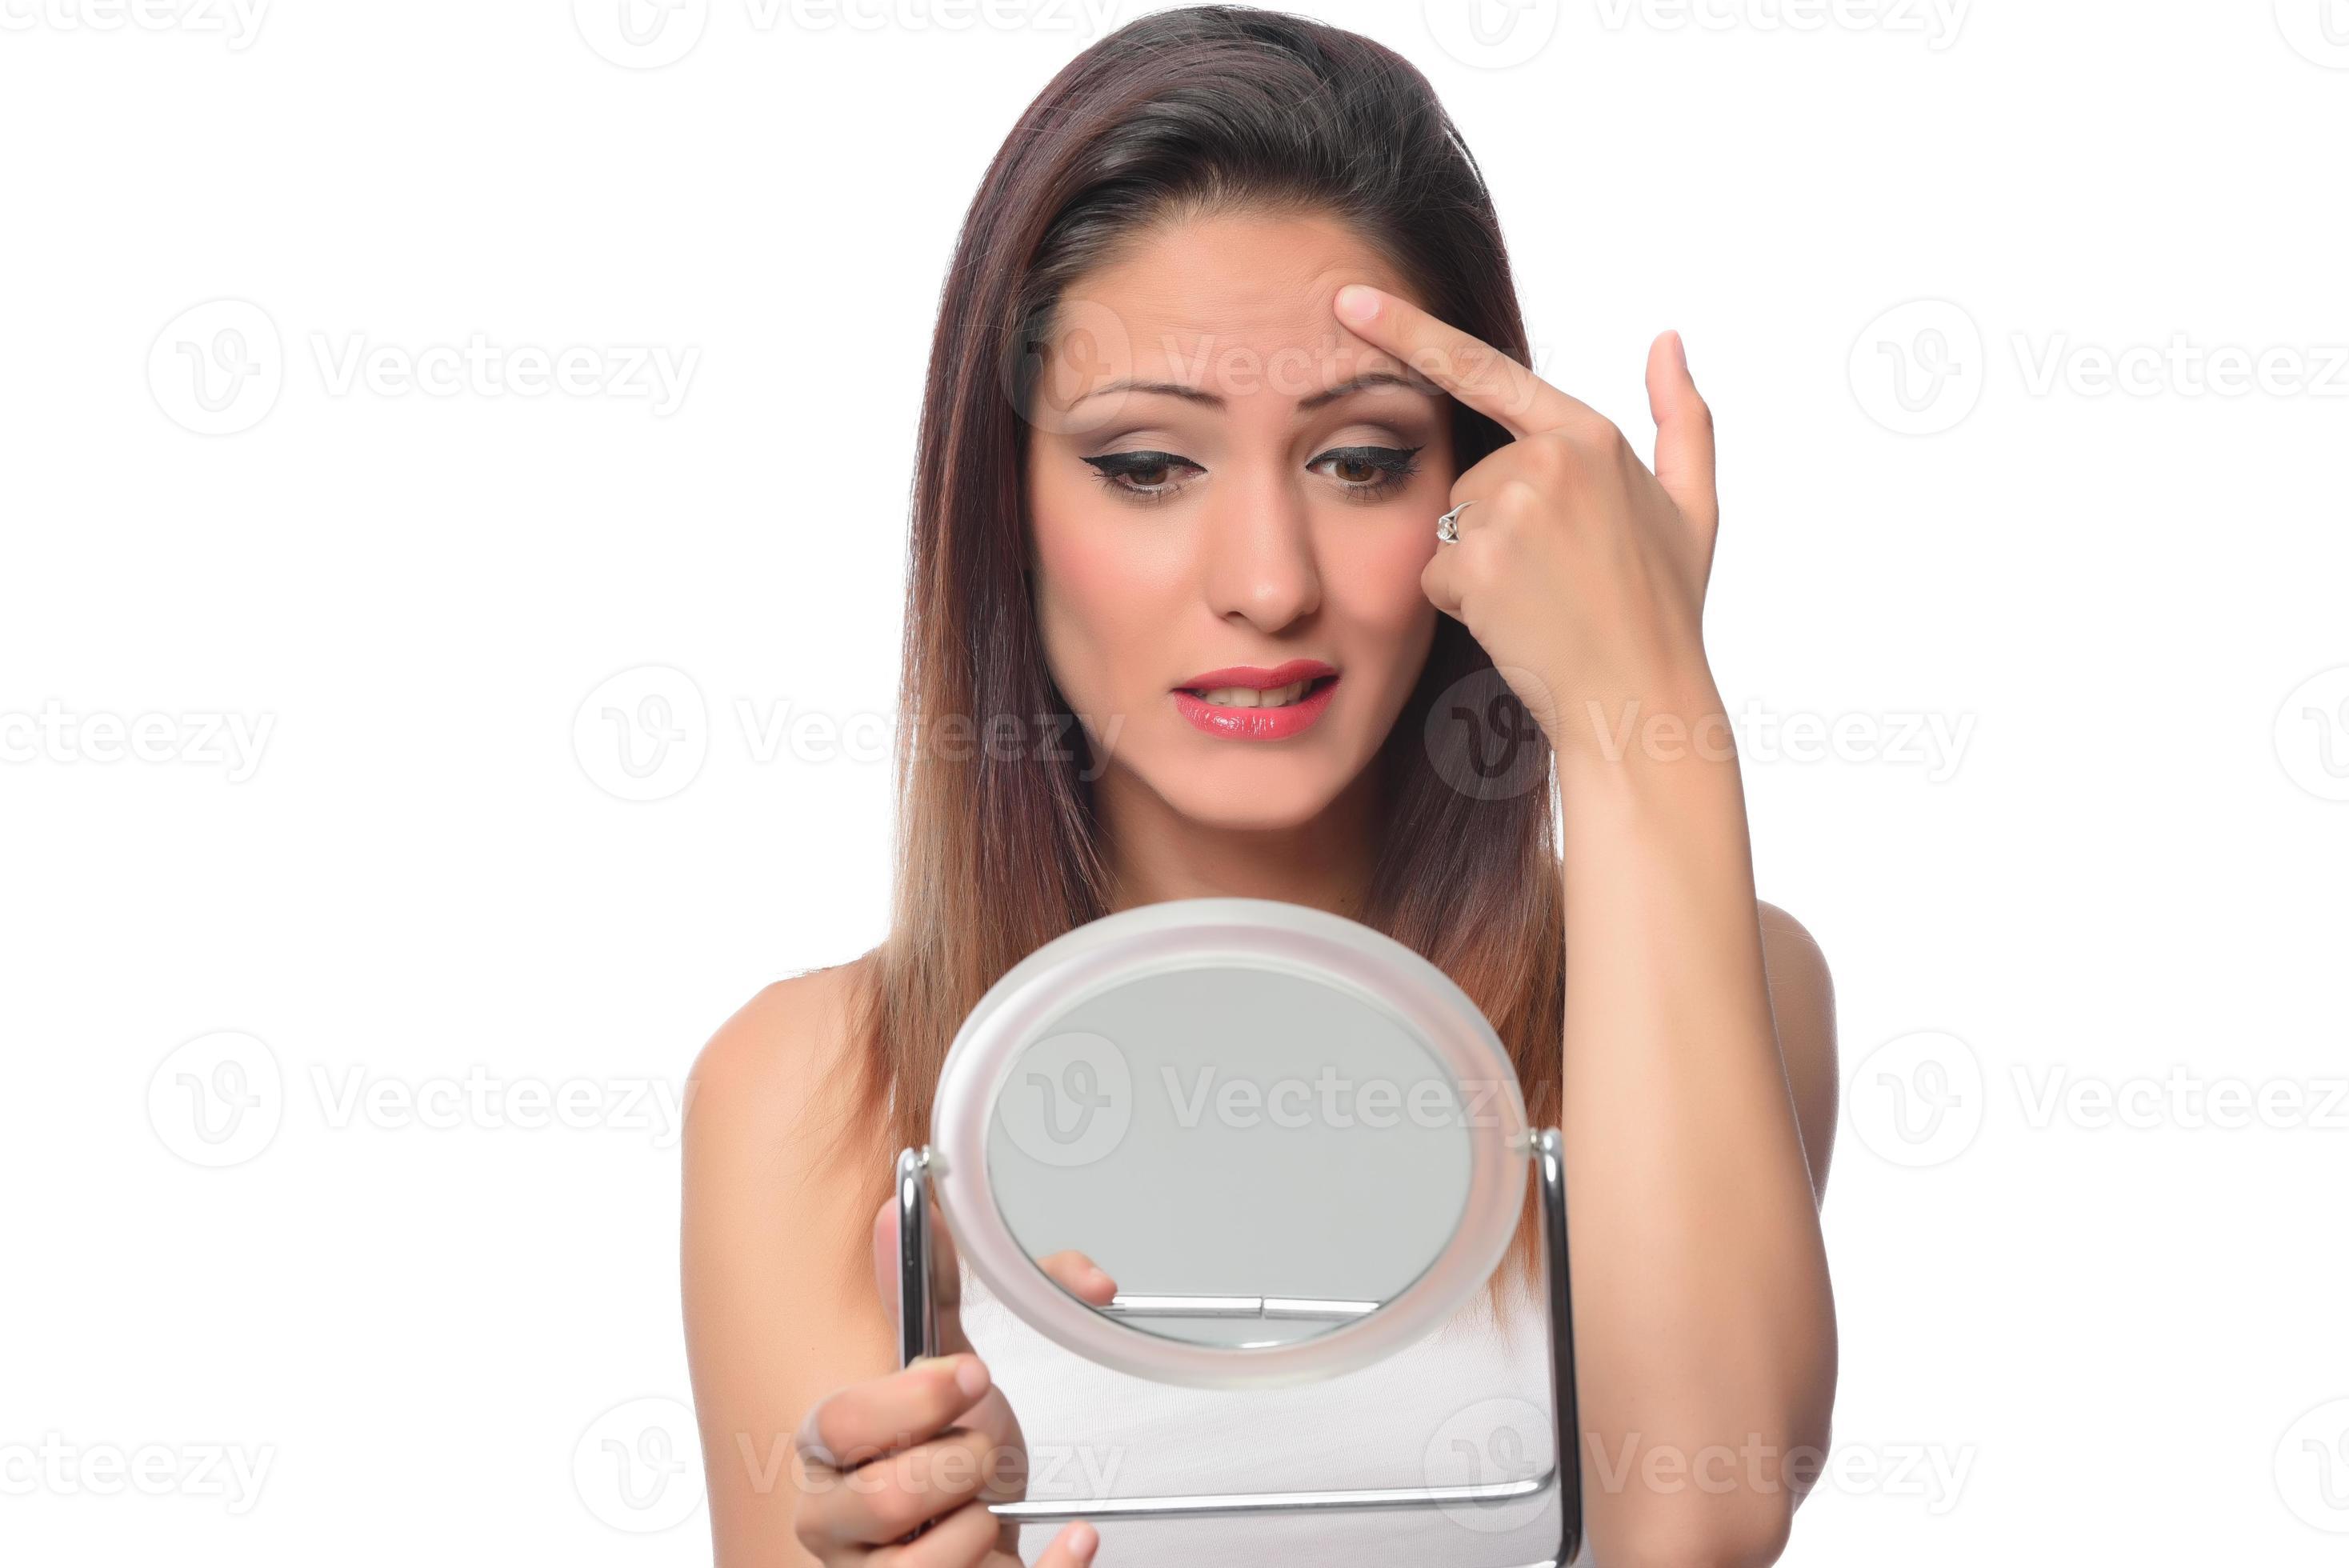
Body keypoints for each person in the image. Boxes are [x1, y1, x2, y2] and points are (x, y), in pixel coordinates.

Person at [683, 8, 1839, 1564]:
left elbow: (1698, 1514)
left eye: (1358, 459)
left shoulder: (1718, 982)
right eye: (1147, 466)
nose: (1268, 583)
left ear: (1473, 490)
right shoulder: (810, 1093)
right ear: (1005, 509)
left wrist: (1642, 705)